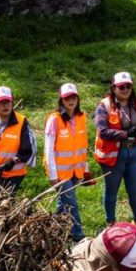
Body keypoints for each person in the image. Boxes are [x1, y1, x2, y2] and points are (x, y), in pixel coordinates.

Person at [94, 72, 136, 230]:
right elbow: (103, 131)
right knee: (111, 191)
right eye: (121, 86)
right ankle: (111, 224)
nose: (125, 89)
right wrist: (126, 134)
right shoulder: (104, 105)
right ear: (114, 88)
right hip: (114, 156)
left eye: (128, 86)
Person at [44, 83, 94, 243]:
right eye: (67, 98)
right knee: (71, 203)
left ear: (78, 99)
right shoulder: (54, 120)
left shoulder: (81, 117)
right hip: (61, 173)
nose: (71, 100)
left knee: (63, 202)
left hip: (76, 171)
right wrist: (52, 174)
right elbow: (48, 150)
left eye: (73, 97)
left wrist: (85, 169)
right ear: (62, 100)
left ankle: (52, 227)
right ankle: (78, 235)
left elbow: (82, 146)